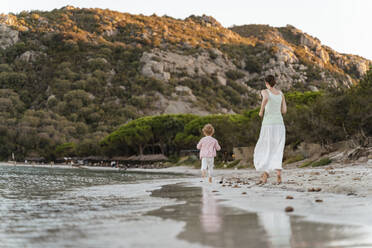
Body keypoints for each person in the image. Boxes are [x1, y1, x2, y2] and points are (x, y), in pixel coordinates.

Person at [254, 75, 287, 185]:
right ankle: (278, 175)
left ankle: (265, 174)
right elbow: (284, 110)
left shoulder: (264, 91)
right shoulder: (281, 93)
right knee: (278, 149)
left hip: (268, 124)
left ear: (266, 83)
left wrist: (261, 111)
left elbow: (266, 98)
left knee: (266, 148)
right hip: (280, 125)